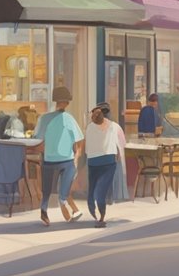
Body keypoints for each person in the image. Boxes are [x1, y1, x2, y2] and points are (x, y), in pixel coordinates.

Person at [34, 86, 85, 227]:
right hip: (66, 160)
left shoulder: (44, 119)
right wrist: (77, 156)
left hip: (49, 159)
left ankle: (44, 210)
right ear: (68, 103)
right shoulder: (69, 119)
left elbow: (37, 138)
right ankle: (64, 204)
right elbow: (80, 140)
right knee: (64, 191)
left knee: (46, 190)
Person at [85, 102, 126, 228]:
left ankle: (95, 212)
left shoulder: (90, 127)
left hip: (93, 162)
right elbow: (123, 143)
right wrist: (117, 151)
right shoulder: (114, 126)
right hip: (109, 162)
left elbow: (87, 148)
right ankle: (101, 217)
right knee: (100, 190)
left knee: (93, 189)